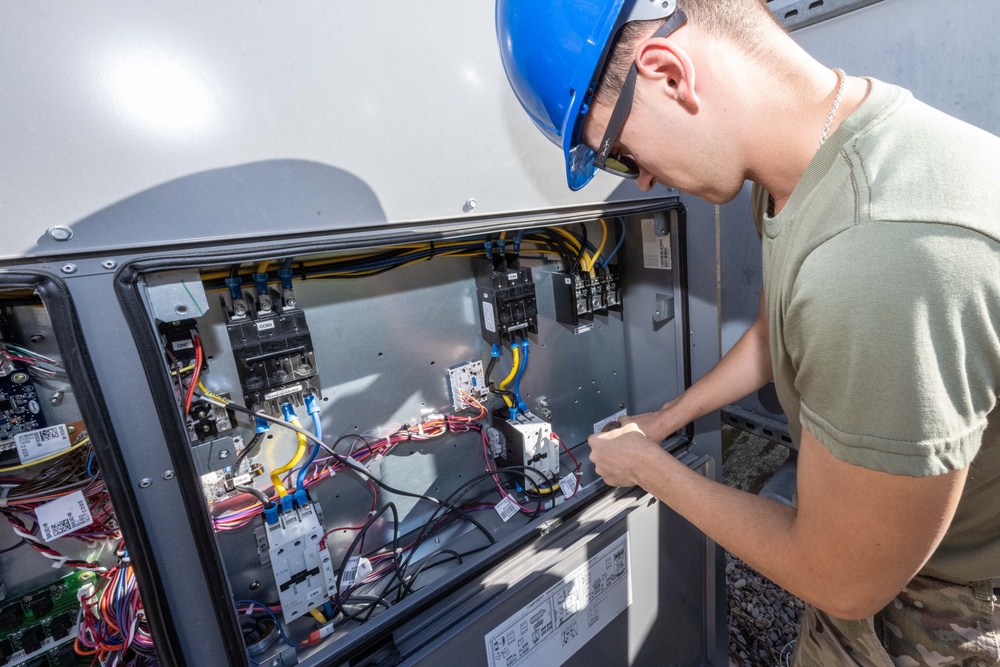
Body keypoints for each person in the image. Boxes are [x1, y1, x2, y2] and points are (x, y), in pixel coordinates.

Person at [495, 0, 1000, 665]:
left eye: (618, 153)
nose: (641, 175)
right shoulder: (807, 165)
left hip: (943, 603)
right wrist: (668, 416)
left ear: (669, 72)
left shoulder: (879, 254)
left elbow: (840, 578)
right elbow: (772, 334)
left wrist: (650, 469)